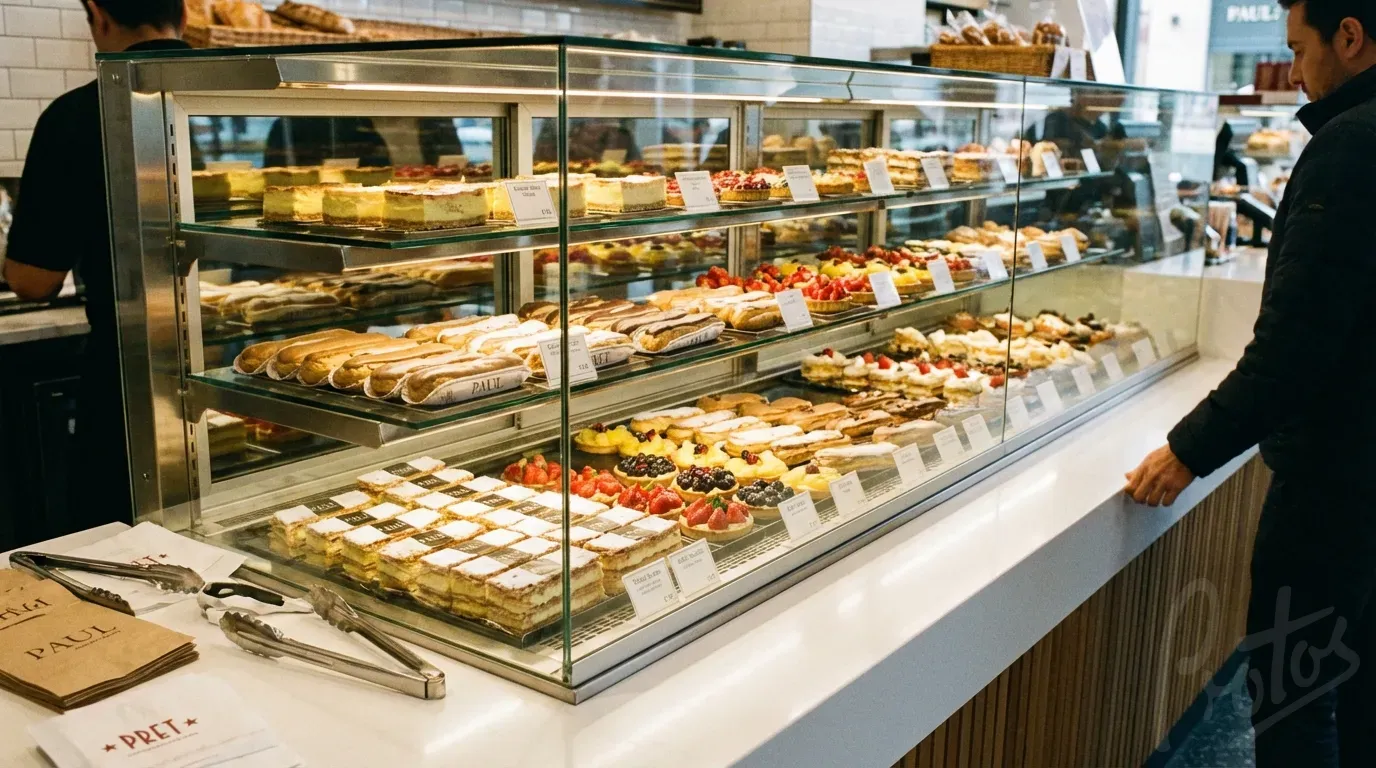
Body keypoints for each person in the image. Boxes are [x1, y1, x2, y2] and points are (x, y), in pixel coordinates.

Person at [1124, 2, 1376, 765]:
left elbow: (1296, 345)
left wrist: (1188, 450)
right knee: (1358, 697)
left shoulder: (1349, 146)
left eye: (1298, 48)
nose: (1295, 71)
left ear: (1350, 36)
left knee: (1296, 700)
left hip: (1333, 486)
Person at [1, 1, 188, 535]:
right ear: (184, 16)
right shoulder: (232, 98)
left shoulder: (76, 116)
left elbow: (32, 281)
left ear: (99, 16)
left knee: (124, 551)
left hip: (130, 390)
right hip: (243, 366)